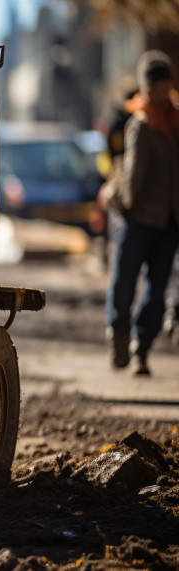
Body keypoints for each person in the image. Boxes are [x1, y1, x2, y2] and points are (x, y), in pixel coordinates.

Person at [105, 50, 179, 376]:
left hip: (169, 222)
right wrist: (128, 208)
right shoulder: (141, 123)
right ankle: (118, 332)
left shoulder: (177, 121)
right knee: (123, 283)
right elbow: (134, 174)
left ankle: (142, 348)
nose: (158, 93)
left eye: (163, 86)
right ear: (146, 87)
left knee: (156, 289)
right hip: (137, 219)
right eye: (153, 87)